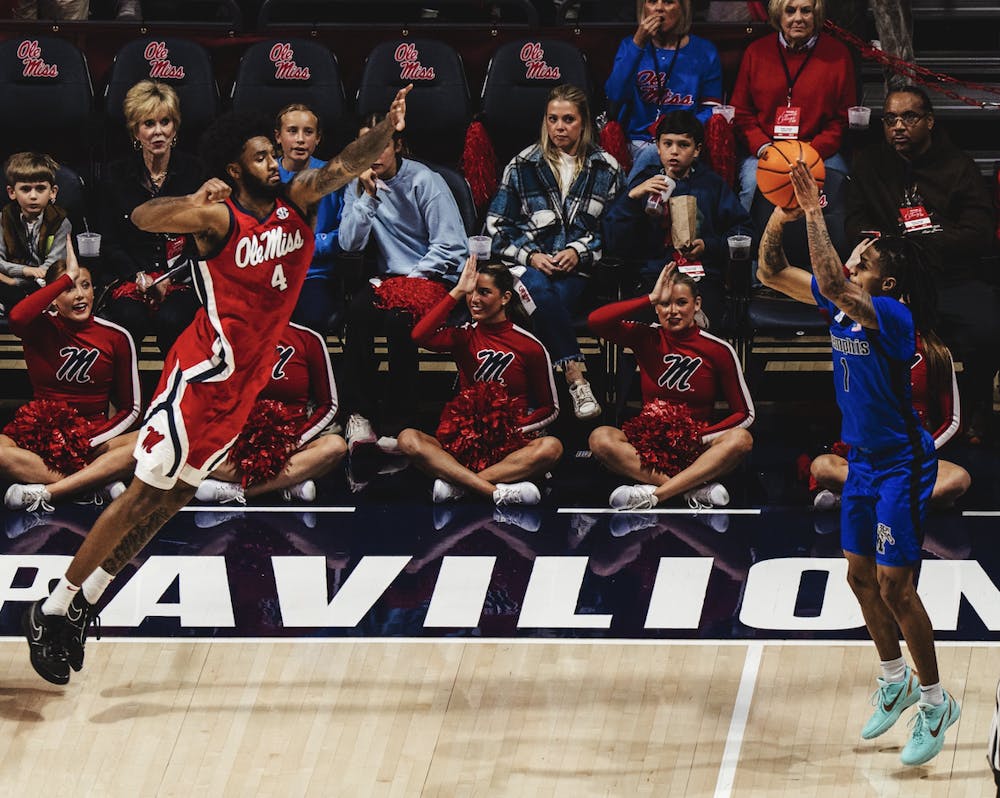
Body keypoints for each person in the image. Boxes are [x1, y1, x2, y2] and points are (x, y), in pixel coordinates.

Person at [21, 85, 413, 686]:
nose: (276, 164)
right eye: (262, 156)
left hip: (244, 385)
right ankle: (53, 607)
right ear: (235, 168)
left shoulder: (299, 202)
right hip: (201, 375)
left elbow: (343, 166)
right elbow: (141, 217)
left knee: (174, 497)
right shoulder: (218, 217)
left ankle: (85, 600)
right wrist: (195, 194)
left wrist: (385, 129)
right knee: (143, 493)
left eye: (275, 155)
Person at [757, 159, 960, 766]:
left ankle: (934, 699)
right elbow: (770, 271)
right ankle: (893, 677)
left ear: (886, 283)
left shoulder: (894, 319)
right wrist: (781, 212)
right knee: (858, 578)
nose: (853, 260)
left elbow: (827, 271)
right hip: (864, 460)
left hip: (903, 462)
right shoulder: (843, 303)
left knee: (898, 587)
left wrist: (814, 208)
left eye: (866, 260)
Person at [846, 86, 1000, 444]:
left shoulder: (959, 166)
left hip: (949, 276)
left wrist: (922, 243)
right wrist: (897, 249)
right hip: (892, 281)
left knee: (990, 330)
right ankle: (889, 412)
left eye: (909, 117)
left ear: (929, 121)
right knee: (861, 329)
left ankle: (974, 405)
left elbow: (978, 232)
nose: (898, 126)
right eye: (890, 119)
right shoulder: (869, 163)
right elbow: (854, 223)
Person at [487, 83, 625, 421]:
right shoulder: (522, 165)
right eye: (553, 119)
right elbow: (495, 227)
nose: (559, 127)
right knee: (536, 286)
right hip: (528, 269)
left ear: (584, 123)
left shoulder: (606, 168)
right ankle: (575, 377)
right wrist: (532, 256)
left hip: (576, 272)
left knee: (540, 303)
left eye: (568, 120)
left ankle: (533, 401)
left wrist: (578, 251)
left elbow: (616, 231)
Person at [337, 112, 466, 453]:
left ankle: (399, 422)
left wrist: (411, 281)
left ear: (397, 146)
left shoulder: (425, 181)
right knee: (358, 313)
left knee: (399, 323)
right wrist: (366, 197)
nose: (374, 154)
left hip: (431, 274)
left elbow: (452, 246)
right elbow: (349, 244)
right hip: (389, 277)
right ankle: (359, 414)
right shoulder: (357, 183)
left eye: (381, 145)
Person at [397, 256, 562, 507]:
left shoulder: (530, 346)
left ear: (505, 298)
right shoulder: (463, 336)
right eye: (471, 292)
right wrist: (456, 291)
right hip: (466, 443)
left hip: (511, 444)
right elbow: (419, 335)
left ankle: (458, 485)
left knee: (551, 447)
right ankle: (493, 492)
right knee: (407, 439)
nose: (474, 299)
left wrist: (512, 430)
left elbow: (550, 408)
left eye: (484, 292)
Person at [588, 263, 754, 510]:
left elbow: (745, 413)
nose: (672, 311)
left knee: (741, 440)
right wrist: (650, 297)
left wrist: (699, 437)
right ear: (656, 309)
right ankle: (690, 490)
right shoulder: (646, 337)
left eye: (681, 303)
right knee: (600, 438)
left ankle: (655, 494)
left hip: (697, 446)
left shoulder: (718, 349)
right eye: (665, 304)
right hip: (650, 447)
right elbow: (596, 321)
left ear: (697, 304)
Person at [2, 239, 139, 510]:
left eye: (85, 286)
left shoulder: (116, 336)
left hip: (97, 438)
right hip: (42, 436)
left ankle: (52, 491)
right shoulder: (39, 327)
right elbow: (16, 317)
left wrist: (90, 441)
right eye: (69, 288)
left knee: (152, 440)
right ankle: (96, 480)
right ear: (53, 295)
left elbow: (131, 408)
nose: (79, 295)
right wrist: (65, 278)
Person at [603, 110, 751, 328]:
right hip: (652, 275)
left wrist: (709, 245)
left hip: (701, 275)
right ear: (658, 147)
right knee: (638, 328)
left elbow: (743, 231)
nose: (674, 152)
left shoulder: (712, 184)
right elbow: (614, 241)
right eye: (668, 144)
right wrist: (632, 199)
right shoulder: (644, 183)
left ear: (697, 150)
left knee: (703, 320)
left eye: (683, 145)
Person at [99, 80, 205, 356]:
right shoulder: (115, 175)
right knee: (128, 319)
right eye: (148, 124)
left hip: (182, 278)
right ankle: (126, 397)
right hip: (131, 276)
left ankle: (173, 395)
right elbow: (108, 239)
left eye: (165, 122)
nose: (158, 132)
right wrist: (137, 276)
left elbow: (204, 237)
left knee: (174, 319)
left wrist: (171, 276)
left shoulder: (196, 172)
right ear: (135, 131)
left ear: (175, 127)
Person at [811, 332, 970, 509]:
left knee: (958, 478)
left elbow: (953, 422)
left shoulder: (936, 352)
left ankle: (863, 498)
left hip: (913, 460)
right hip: (872, 458)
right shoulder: (864, 348)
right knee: (822, 466)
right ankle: (908, 501)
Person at [195, 320, 345, 504]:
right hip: (239, 447)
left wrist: (293, 442)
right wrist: (238, 440)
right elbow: (211, 399)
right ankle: (288, 482)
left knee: (336, 446)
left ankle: (238, 490)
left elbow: (329, 405)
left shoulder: (308, 338)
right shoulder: (226, 339)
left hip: (293, 447)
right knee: (189, 448)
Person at [731, 0, 856, 211]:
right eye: (790, 11)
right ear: (778, 16)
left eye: (806, 11)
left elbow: (843, 118)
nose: (798, 18)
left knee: (840, 184)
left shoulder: (838, 54)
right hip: (767, 149)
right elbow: (741, 113)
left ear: (816, 16)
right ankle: (747, 242)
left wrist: (811, 152)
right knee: (752, 186)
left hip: (817, 151)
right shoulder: (756, 52)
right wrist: (764, 148)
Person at [605, 0, 723, 176]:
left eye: (668, 2)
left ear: (682, 8)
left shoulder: (705, 51)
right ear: (643, 7)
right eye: (652, 1)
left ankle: (628, 198)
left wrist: (677, 131)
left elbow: (712, 109)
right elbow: (614, 94)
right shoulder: (630, 46)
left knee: (658, 152)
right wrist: (638, 43)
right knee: (651, 152)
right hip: (639, 141)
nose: (659, 8)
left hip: (683, 142)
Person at [274, 103, 345, 333]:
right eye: (292, 131)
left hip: (314, 275)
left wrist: (311, 246)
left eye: (308, 132)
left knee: (311, 318)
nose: (300, 139)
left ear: (318, 139)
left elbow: (345, 233)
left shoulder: (333, 177)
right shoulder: (262, 175)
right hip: (267, 274)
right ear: (278, 137)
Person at [0, 152, 71, 311]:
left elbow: (52, 267)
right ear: (12, 192)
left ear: (52, 192)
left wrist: (16, 281)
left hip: (43, 286)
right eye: (25, 189)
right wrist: (25, 271)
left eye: (40, 188)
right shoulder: (3, 219)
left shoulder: (60, 222)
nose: (33, 196)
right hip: (7, 285)